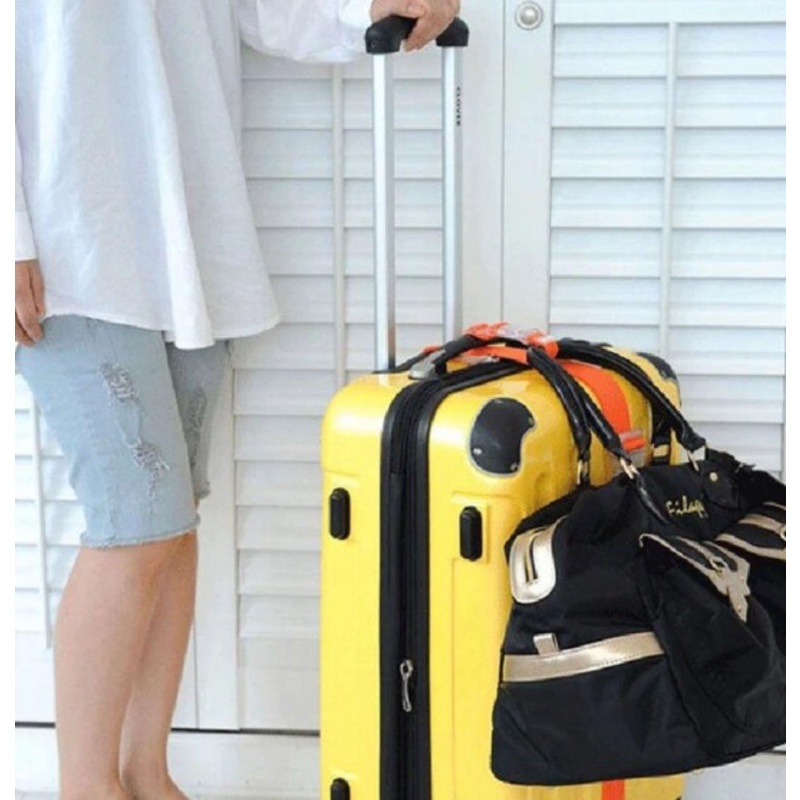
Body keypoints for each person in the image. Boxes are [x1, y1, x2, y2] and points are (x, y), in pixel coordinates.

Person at [14, 1, 459, 798]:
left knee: (172, 521)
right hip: (68, 241)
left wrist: (370, 8)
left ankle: (146, 770)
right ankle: (86, 786)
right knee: (136, 523)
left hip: (186, 234)